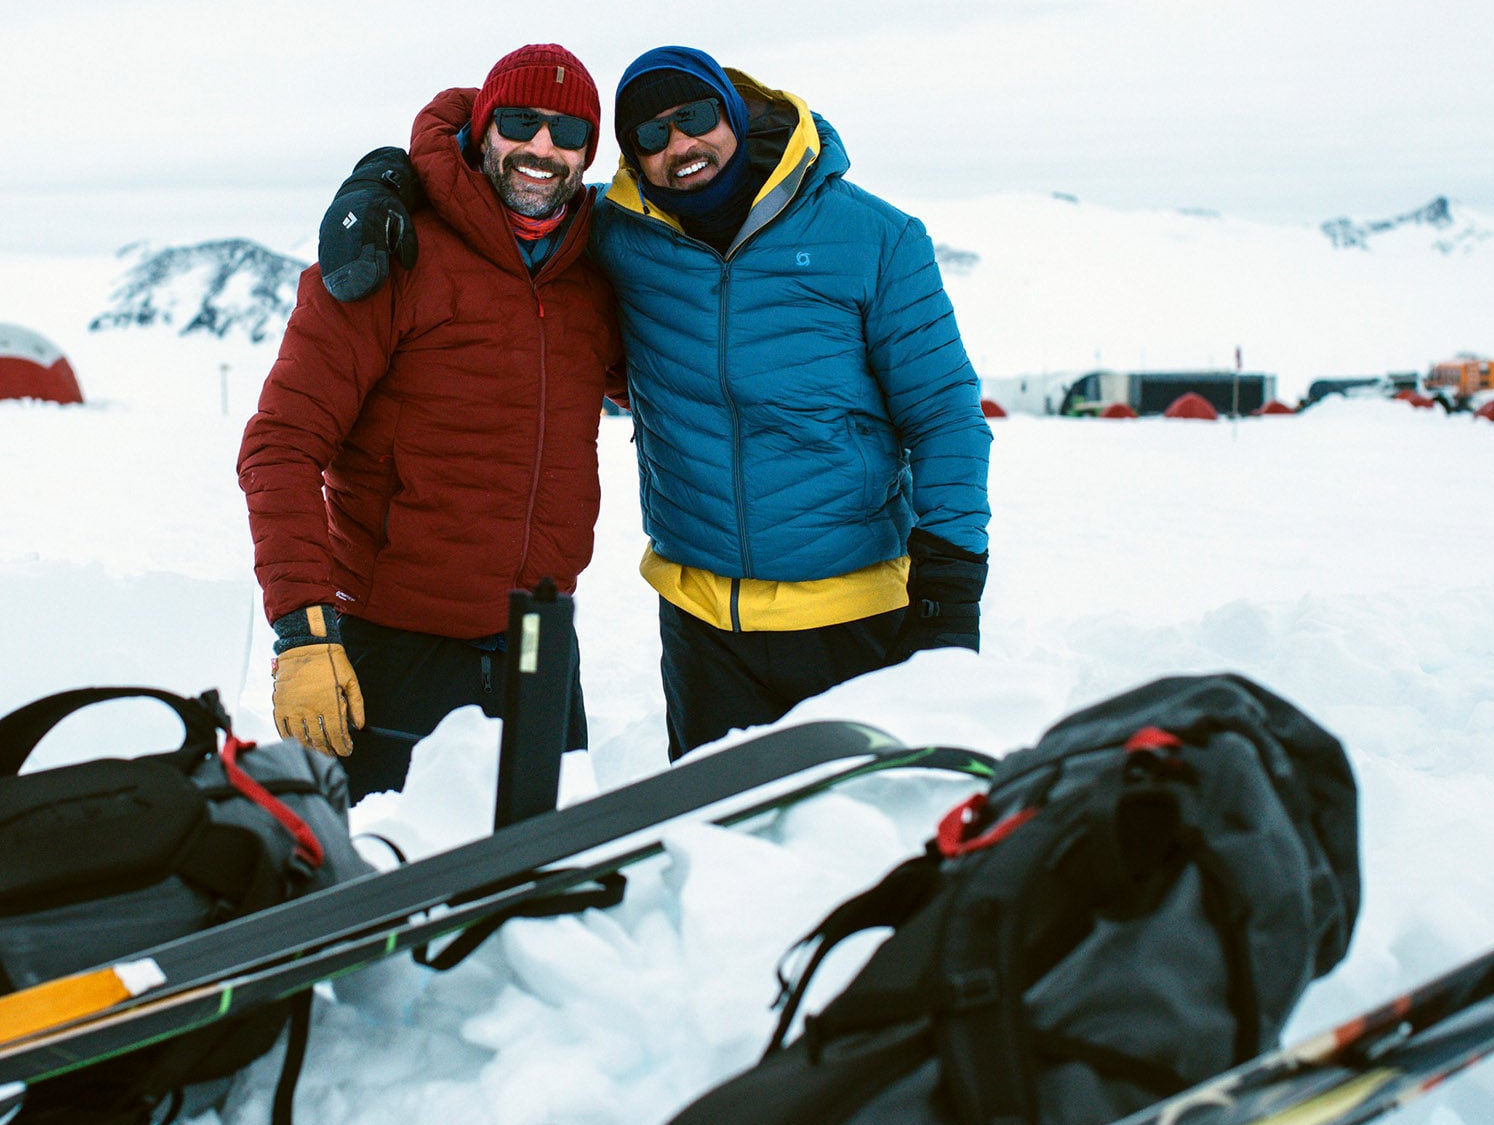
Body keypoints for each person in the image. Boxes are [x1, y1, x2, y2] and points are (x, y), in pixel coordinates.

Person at [318, 46, 991, 758]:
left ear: (733, 113)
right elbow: (500, 190)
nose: (681, 145)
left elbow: (945, 415)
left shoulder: (875, 238)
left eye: (696, 117)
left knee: (867, 847)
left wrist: (949, 596)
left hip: (855, 617)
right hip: (703, 631)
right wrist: (384, 177)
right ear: (634, 159)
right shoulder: (618, 233)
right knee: (714, 847)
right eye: (652, 136)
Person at [237, 44, 622, 799]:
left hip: (541, 642)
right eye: (520, 123)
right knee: (386, 888)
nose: (542, 148)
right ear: (483, 131)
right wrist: (305, 634)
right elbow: (280, 446)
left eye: (569, 133)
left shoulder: (594, 275)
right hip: (392, 651)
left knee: (541, 892)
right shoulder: (390, 252)